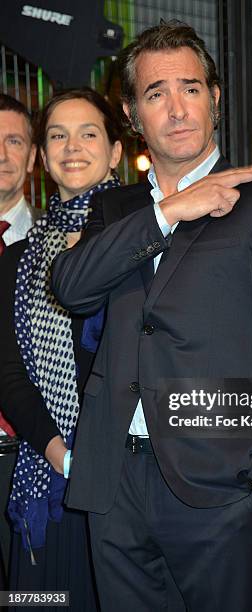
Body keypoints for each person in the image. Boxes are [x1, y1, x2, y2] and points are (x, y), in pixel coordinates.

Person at [51, 22, 252, 612]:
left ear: (216, 98)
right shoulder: (116, 208)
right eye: (156, 94)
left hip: (222, 489)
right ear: (132, 112)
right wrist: (169, 210)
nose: (177, 109)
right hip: (114, 488)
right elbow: (71, 287)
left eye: (192, 89)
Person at [0, 87, 122, 611]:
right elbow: (8, 373)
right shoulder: (18, 260)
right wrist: (61, 454)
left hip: (128, 477)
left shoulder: (150, 236)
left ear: (116, 151)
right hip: (47, 476)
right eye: (57, 136)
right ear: (44, 158)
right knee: (43, 602)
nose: (72, 147)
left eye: (88, 133)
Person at [0, 93, 39, 584]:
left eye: (14, 141)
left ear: (33, 156)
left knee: (35, 598)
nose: (2, 154)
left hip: (29, 462)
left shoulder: (65, 246)